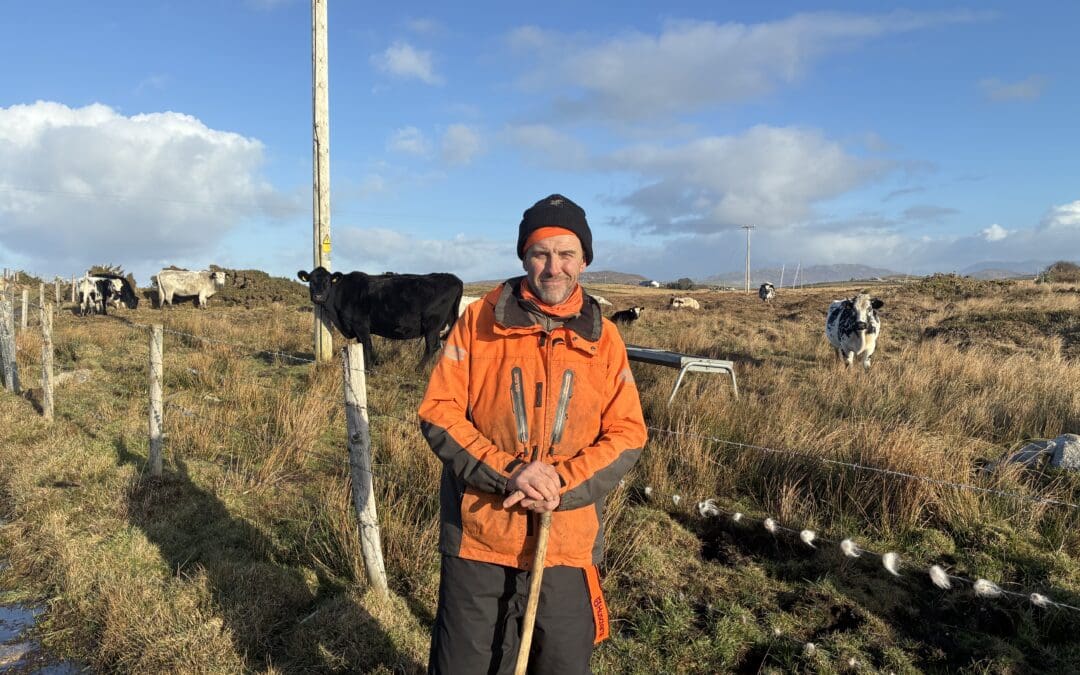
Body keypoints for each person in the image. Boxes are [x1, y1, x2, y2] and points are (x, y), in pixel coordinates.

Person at [418, 194, 648, 674]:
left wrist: (560, 485)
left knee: (561, 663)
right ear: (524, 256)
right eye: (541, 253)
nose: (553, 267)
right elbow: (439, 411)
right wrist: (512, 473)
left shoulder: (604, 339)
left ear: (584, 259)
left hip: (568, 541)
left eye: (566, 254)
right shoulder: (478, 321)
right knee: (466, 664)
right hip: (480, 534)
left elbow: (627, 432)